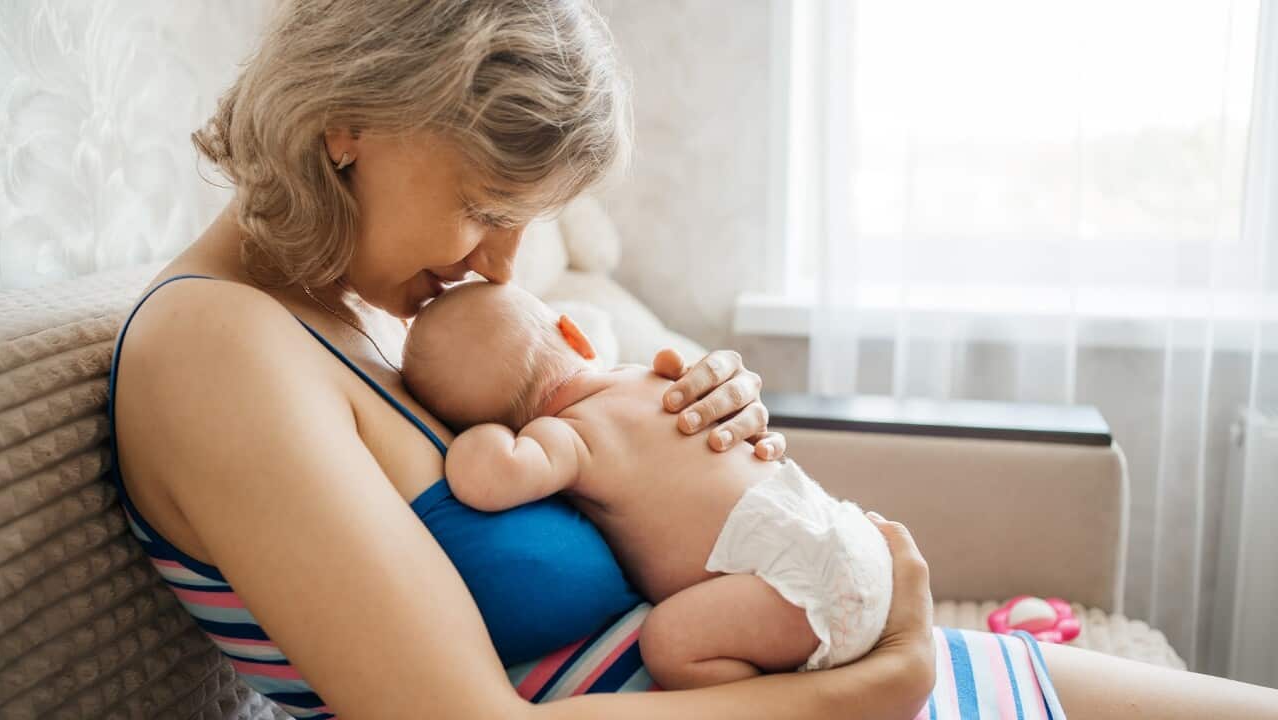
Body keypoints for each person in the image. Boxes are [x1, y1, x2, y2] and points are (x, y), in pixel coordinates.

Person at [107, 1, 1278, 718]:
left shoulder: (362, 316)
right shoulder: (217, 349)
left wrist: (697, 413)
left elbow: (585, 450)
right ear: (346, 120)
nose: (503, 266)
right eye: (485, 207)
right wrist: (869, 684)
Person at [402, 280, 894, 690]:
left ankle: (781, 698)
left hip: (792, 592)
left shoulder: (566, 435)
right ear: (576, 335)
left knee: (668, 642)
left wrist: (479, 434)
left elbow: (484, 480)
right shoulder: (652, 378)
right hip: (855, 542)